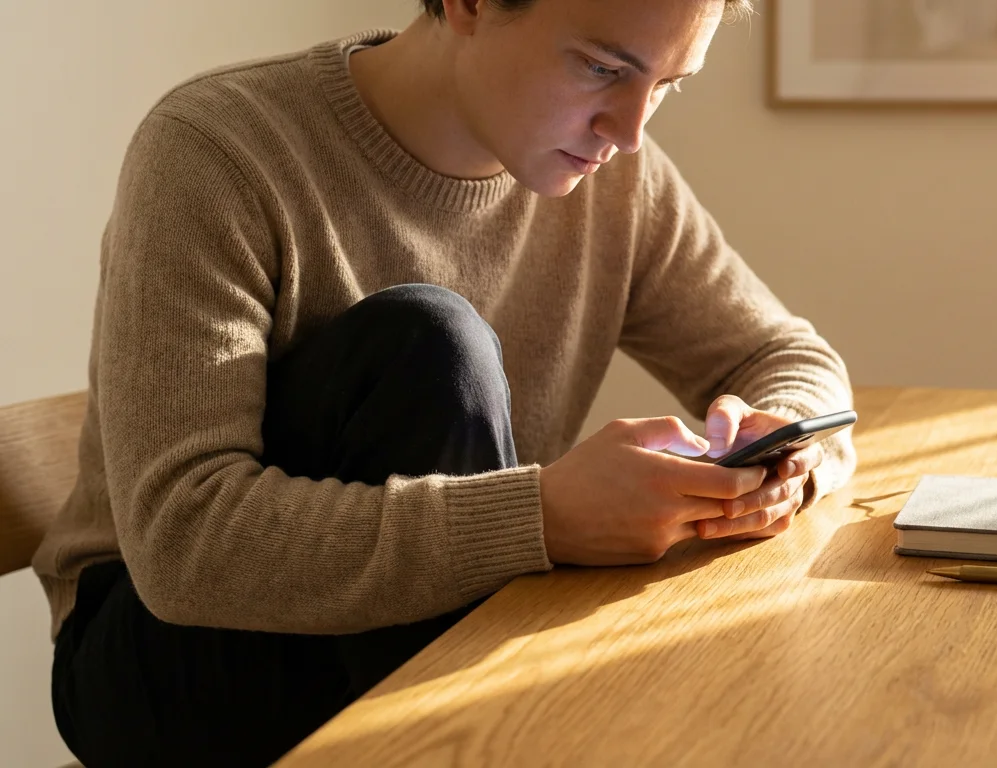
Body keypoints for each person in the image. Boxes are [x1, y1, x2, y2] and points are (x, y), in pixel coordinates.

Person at [32, 0, 857, 764]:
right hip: (164, 650)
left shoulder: (615, 181)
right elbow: (182, 547)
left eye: (669, 83)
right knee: (429, 343)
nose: (631, 131)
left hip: (426, 630)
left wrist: (783, 453)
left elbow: (787, 356)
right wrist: (543, 516)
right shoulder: (218, 148)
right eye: (603, 68)